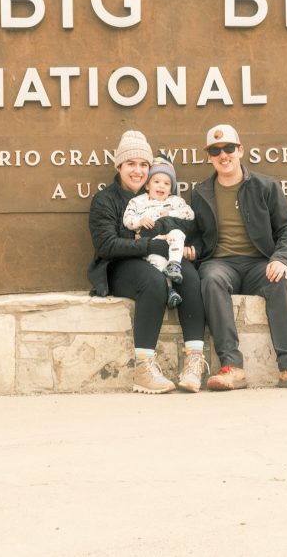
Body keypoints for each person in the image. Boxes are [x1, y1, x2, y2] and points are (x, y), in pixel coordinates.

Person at [190, 123, 287, 390]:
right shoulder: (200, 193)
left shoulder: (266, 186)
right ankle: (231, 368)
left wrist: (281, 258)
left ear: (240, 150)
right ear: (209, 157)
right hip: (220, 263)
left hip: (259, 263)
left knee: (281, 280)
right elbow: (196, 234)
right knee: (210, 279)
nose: (223, 155)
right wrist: (189, 248)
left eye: (228, 148)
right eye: (216, 151)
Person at [87, 130, 208, 394]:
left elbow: (193, 230)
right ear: (119, 165)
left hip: (163, 259)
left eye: (143, 165)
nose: (137, 171)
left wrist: (192, 249)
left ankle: (194, 360)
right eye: (131, 164)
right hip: (120, 266)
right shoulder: (105, 200)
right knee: (153, 283)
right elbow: (106, 245)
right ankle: (143, 367)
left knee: (189, 275)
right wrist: (150, 245)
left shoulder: (163, 199)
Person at [122, 156, 195, 309]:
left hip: (170, 241)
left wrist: (170, 213)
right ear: (147, 185)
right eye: (156, 182)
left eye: (167, 183)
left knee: (178, 234)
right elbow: (127, 219)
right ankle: (169, 290)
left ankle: (174, 265)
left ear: (171, 188)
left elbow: (190, 214)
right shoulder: (137, 202)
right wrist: (140, 221)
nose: (161, 186)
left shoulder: (176, 201)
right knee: (157, 262)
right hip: (151, 242)